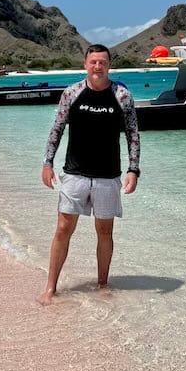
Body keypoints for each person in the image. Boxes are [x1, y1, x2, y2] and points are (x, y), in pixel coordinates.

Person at [39, 44, 140, 305]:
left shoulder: (122, 95)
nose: (98, 67)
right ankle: (50, 288)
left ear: (109, 65)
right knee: (63, 228)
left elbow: (133, 135)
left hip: (108, 176)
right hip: (75, 174)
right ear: (86, 64)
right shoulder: (72, 93)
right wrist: (47, 162)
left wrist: (133, 169)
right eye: (93, 62)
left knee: (105, 231)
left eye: (102, 62)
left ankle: (103, 284)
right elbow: (57, 129)